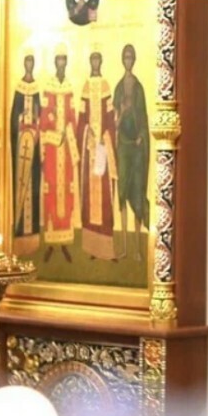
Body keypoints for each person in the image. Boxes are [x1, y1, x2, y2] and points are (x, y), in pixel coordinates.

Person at [39, 43, 80, 263]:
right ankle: (51, 243)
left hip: (66, 150)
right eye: (59, 60)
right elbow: (44, 121)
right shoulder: (49, 87)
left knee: (67, 193)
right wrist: (56, 134)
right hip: (53, 151)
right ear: (55, 63)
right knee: (52, 193)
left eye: (64, 60)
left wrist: (69, 136)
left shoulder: (70, 87)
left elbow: (73, 118)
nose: (62, 63)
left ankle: (64, 243)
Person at [76, 46, 118, 260]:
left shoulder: (105, 86)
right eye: (92, 59)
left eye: (97, 59)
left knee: (104, 198)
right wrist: (87, 132)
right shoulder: (85, 86)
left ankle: (105, 248)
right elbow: (81, 119)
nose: (95, 62)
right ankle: (92, 247)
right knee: (89, 198)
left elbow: (110, 118)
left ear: (100, 62)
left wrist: (105, 136)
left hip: (102, 148)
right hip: (89, 149)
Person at [113, 44, 150, 261]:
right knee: (122, 192)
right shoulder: (119, 88)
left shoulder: (139, 88)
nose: (128, 60)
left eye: (130, 57)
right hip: (123, 147)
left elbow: (143, 118)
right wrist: (122, 113)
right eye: (125, 57)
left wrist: (141, 137)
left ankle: (137, 248)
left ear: (134, 60)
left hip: (136, 149)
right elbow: (115, 122)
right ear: (122, 60)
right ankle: (125, 246)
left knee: (136, 192)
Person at [10, 49, 42, 256]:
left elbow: (41, 115)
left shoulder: (37, 88)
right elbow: (14, 118)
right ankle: (20, 232)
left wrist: (36, 127)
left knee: (34, 184)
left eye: (32, 61)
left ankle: (34, 234)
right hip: (22, 144)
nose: (29, 64)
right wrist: (21, 124)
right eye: (27, 61)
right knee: (21, 184)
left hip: (34, 144)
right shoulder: (19, 89)